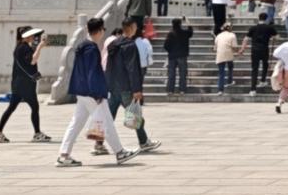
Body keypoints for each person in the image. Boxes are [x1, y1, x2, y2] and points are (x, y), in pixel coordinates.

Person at [57, 18, 134, 166]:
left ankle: (64, 154)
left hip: (81, 91)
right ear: (99, 31)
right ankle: (120, 152)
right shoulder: (92, 49)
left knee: (76, 123)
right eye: (103, 30)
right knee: (107, 122)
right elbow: (93, 73)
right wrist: (97, 93)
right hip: (92, 93)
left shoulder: (82, 46)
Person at [106, 17, 160, 154]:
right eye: (135, 27)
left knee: (108, 116)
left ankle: (98, 143)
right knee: (135, 114)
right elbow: (132, 69)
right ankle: (143, 142)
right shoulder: (130, 45)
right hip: (126, 87)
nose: (137, 29)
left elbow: (109, 67)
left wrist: (107, 85)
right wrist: (137, 89)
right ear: (130, 28)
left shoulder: (113, 44)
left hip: (114, 87)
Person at [0, 26, 53, 143]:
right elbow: (32, 61)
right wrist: (40, 46)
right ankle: (37, 134)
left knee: (12, 108)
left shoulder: (21, 47)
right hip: (25, 84)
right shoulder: (24, 48)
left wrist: (38, 47)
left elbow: (29, 60)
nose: (34, 37)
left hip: (18, 83)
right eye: (32, 35)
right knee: (34, 107)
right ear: (26, 36)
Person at [247, 12, 276, 92]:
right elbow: (276, 36)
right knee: (265, 65)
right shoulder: (269, 27)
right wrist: (271, 36)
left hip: (254, 50)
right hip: (264, 49)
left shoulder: (253, 28)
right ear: (266, 19)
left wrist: (242, 48)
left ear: (258, 18)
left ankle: (253, 89)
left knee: (254, 69)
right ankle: (263, 80)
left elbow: (246, 38)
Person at [164, 17, 193, 93]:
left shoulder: (170, 34)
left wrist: (170, 51)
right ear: (180, 24)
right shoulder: (184, 33)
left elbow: (166, 46)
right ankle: (182, 90)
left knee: (171, 74)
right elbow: (191, 31)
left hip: (172, 56)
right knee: (183, 74)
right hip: (182, 56)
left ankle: (170, 90)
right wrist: (187, 21)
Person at [214, 23, 240, 92]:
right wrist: (238, 52)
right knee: (230, 66)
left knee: (221, 73)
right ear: (230, 28)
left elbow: (215, 48)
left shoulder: (218, 36)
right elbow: (234, 47)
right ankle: (229, 81)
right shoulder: (232, 35)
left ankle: (220, 90)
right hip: (229, 54)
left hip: (220, 55)